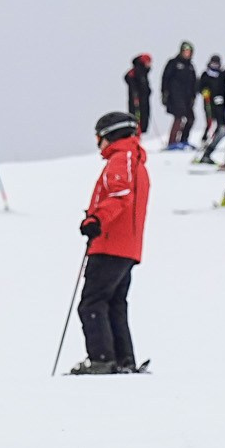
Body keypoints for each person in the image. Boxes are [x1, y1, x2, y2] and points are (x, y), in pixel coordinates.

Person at [73, 111, 151, 374]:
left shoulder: (122, 158)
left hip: (110, 245)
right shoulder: (134, 160)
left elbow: (120, 195)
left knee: (92, 303)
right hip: (124, 247)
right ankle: (122, 359)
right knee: (114, 303)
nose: (98, 144)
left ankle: (102, 359)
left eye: (99, 137)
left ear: (111, 135)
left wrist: (96, 220)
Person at [159, 42, 198, 150]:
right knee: (179, 118)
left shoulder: (190, 66)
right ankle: (172, 142)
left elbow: (194, 82)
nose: (187, 53)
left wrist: (193, 96)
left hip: (187, 98)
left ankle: (183, 140)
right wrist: (164, 93)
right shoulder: (173, 63)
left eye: (189, 52)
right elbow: (165, 78)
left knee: (191, 118)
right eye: (185, 51)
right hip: (175, 96)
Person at [196, 54, 225, 150]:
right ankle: (204, 139)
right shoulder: (205, 74)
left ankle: (214, 139)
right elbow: (200, 86)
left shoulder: (221, 75)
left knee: (220, 122)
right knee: (210, 121)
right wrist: (204, 91)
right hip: (208, 102)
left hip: (219, 102)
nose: (215, 65)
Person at [124, 53, 154, 138]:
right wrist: (136, 95)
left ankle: (138, 138)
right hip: (137, 101)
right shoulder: (137, 71)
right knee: (137, 120)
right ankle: (135, 139)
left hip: (143, 101)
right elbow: (131, 82)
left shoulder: (143, 72)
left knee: (143, 120)